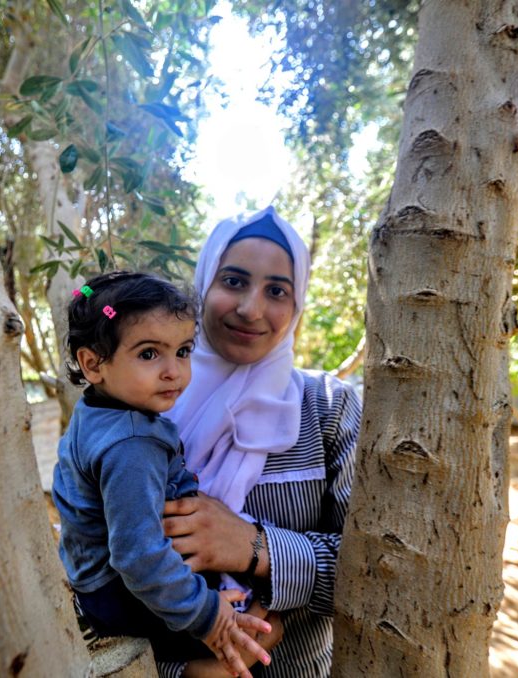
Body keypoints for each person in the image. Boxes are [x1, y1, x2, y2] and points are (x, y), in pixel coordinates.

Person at [160, 206, 362, 677]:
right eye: (232, 281)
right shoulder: (144, 405)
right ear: (203, 286)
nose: (251, 309)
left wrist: (253, 547)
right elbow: (95, 558)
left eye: (276, 291)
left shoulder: (328, 409)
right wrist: (188, 673)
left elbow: (371, 574)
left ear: (297, 306)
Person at [51, 271, 273, 678]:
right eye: (150, 354)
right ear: (93, 362)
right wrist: (209, 616)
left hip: (95, 585)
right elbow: (139, 557)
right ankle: (203, 670)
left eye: (184, 350)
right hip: (121, 595)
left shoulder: (98, 410)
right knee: (266, 622)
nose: (174, 371)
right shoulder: (132, 445)